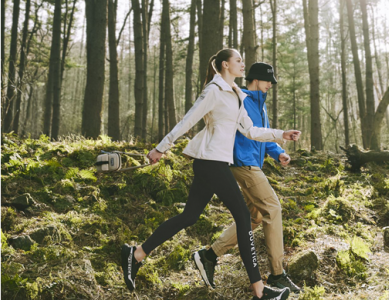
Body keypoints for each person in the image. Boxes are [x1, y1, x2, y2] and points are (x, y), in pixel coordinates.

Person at [121, 48, 301, 300]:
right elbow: (187, 120)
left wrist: (281, 134)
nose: (242, 64)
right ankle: (260, 291)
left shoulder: (236, 95)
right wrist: (161, 148)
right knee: (243, 216)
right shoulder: (214, 91)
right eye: (238, 60)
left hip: (215, 163)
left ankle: (137, 254)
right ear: (225, 65)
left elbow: (250, 131)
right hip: (210, 162)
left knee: (189, 216)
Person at [192, 62, 302, 294]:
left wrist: (278, 152)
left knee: (254, 217)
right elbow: (241, 131)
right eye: (267, 81)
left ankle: (209, 255)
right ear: (255, 79)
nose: (270, 85)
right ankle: (278, 274)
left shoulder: (261, 106)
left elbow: (263, 135)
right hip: (242, 163)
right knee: (273, 207)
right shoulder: (240, 98)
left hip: (251, 162)